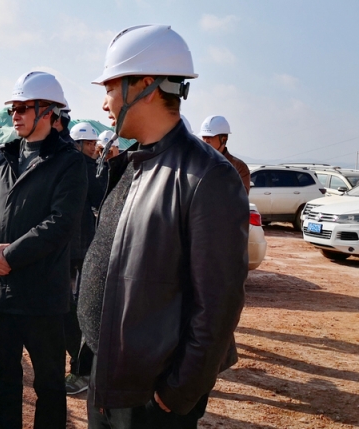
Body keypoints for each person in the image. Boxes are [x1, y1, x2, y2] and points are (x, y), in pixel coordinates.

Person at [77, 25, 249, 428]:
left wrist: (179, 391)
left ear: (147, 86)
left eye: (110, 87)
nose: (104, 103)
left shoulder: (207, 177)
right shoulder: (135, 162)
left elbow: (218, 304)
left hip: (151, 396)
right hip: (110, 377)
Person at [0, 71, 87, 429]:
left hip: (41, 298)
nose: (15, 115)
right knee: (2, 381)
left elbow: (60, 223)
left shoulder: (68, 163)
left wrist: (8, 256)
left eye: (23, 108)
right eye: (13, 109)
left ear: (49, 112)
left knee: (49, 386)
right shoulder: (6, 158)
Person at [64, 123, 106, 395]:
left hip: (79, 252)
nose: (94, 147)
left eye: (94, 143)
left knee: (76, 311)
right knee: (73, 310)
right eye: (89, 143)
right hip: (75, 252)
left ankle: (82, 369)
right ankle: (81, 368)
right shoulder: (85, 168)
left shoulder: (80, 166)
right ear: (77, 144)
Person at [200, 115, 251, 193]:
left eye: (210, 136)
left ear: (223, 139)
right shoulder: (197, 163)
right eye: (204, 136)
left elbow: (241, 196)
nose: (206, 141)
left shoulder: (239, 167)